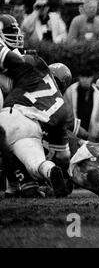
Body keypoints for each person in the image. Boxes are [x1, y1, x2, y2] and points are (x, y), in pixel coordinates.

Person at [0, 15, 71, 197]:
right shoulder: (61, 104)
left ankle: (17, 186)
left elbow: (14, 64)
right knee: (35, 160)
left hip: (13, 111)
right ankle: (44, 173)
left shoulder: (23, 64)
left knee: (6, 145)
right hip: (33, 121)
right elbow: (63, 156)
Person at [63, 69, 99, 142]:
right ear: (79, 77)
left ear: (92, 78)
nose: (85, 80)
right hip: (74, 133)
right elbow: (65, 111)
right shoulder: (70, 91)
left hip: (93, 135)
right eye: (83, 77)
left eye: (88, 77)